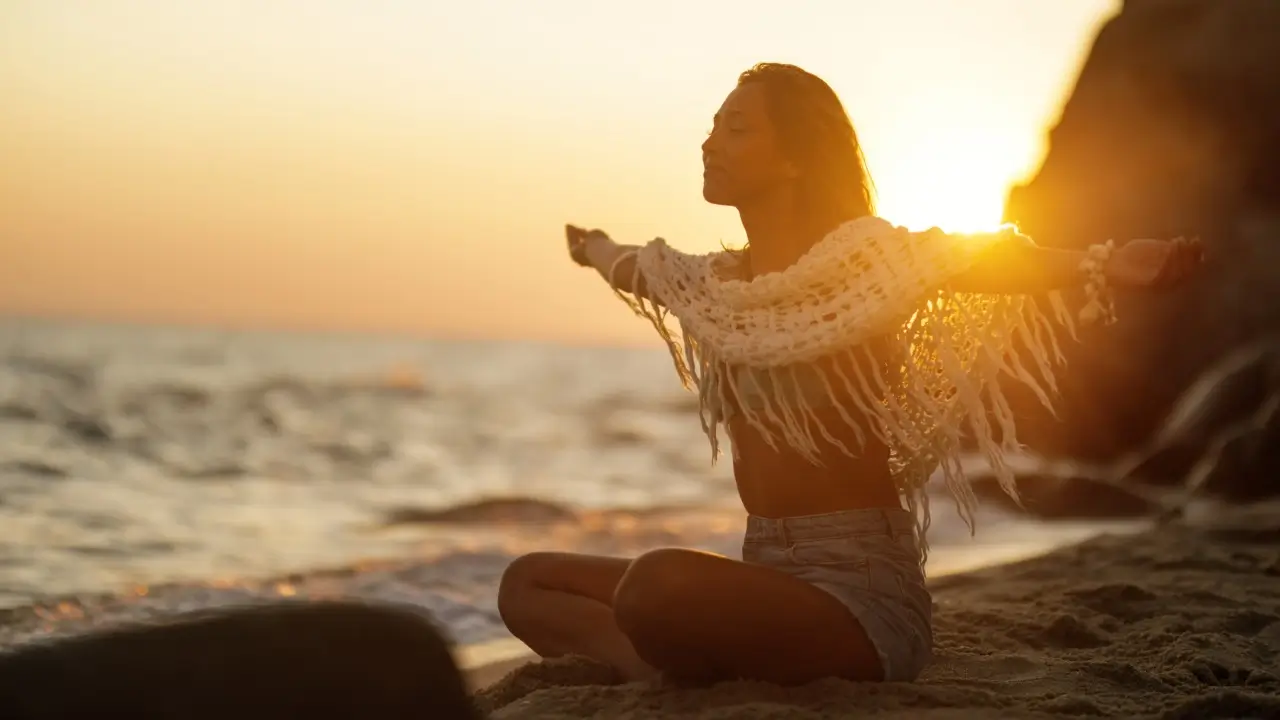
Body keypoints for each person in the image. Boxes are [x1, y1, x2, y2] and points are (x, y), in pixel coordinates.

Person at [497, 62, 1203, 686]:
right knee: (526, 583)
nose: (710, 142)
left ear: (798, 158)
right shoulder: (715, 288)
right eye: (712, 127)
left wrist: (1103, 262)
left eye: (737, 128)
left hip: (858, 592)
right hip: (765, 570)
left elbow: (977, 258)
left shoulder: (864, 266)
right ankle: (652, 660)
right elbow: (637, 266)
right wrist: (589, 246)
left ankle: (668, 657)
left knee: (653, 586)